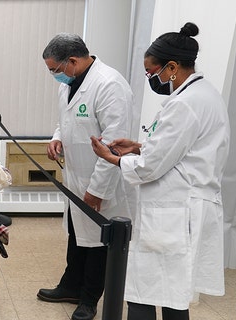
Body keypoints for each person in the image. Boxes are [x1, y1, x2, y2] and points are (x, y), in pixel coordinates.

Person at [91, 22, 230, 320]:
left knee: (145, 290)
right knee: (171, 293)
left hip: (175, 210)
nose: (151, 79)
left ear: (171, 67)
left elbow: (151, 167)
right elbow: (184, 151)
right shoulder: (204, 95)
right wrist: (139, 146)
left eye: (151, 73)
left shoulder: (186, 104)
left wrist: (113, 158)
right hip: (184, 206)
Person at [37, 33, 139, 320]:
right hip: (76, 175)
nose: (54, 75)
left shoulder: (110, 85)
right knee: (76, 233)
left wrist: (97, 190)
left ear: (72, 61)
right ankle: (70, 286)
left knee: (98, 241)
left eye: (55, 69)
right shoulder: (70, 81)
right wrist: (57, 138)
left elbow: (113, 142)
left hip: (102, 180)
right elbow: (65, 120)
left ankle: (89, 298)